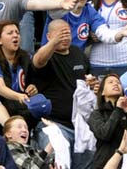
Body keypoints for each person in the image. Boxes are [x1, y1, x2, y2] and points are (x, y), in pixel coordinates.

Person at [32, 19, 93, 169]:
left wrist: (92, 84)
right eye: (60, 33)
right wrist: (54, 43)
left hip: (80, 126)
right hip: (53, 124)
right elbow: (38, 61)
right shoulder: (45, 54)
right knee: (57, 164)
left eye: (67, 32)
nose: (64, 36)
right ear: (49, 36)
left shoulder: (78, 53)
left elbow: (88, 79)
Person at [0, 21, 38, 126]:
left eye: (17, 32)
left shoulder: (26, 57)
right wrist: (19, 96)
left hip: (23, 113)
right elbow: (0, 88)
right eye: (10, 33)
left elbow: (32, 81)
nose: (15, 35)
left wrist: (33, 88)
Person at [87, 73, 127, 168]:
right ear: (102, 92)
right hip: (104, 163)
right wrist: (118, 110)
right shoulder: (96, 114)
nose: (115, 84)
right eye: (110, 82)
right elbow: (104, 134)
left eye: (118, 83)